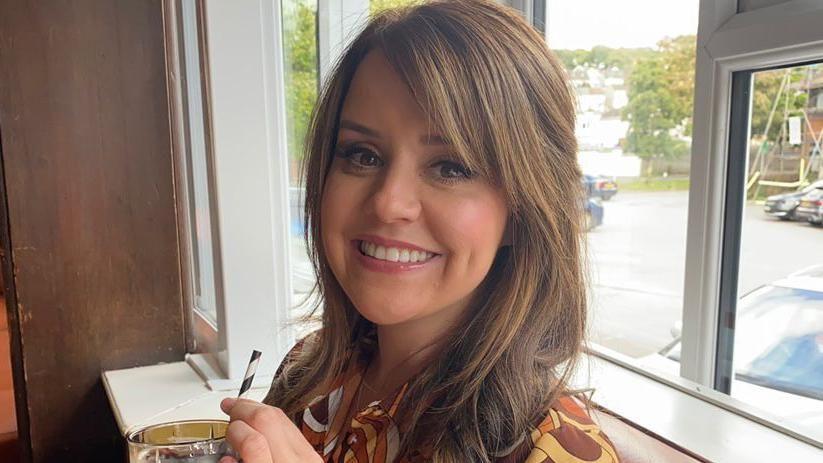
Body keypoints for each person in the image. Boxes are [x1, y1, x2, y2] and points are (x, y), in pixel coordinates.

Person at [219, 1, 620, 461]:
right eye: (362, 155)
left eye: (451, 166)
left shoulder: (552, 451)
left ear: (524, 211)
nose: (389, 202)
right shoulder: (306, 371)